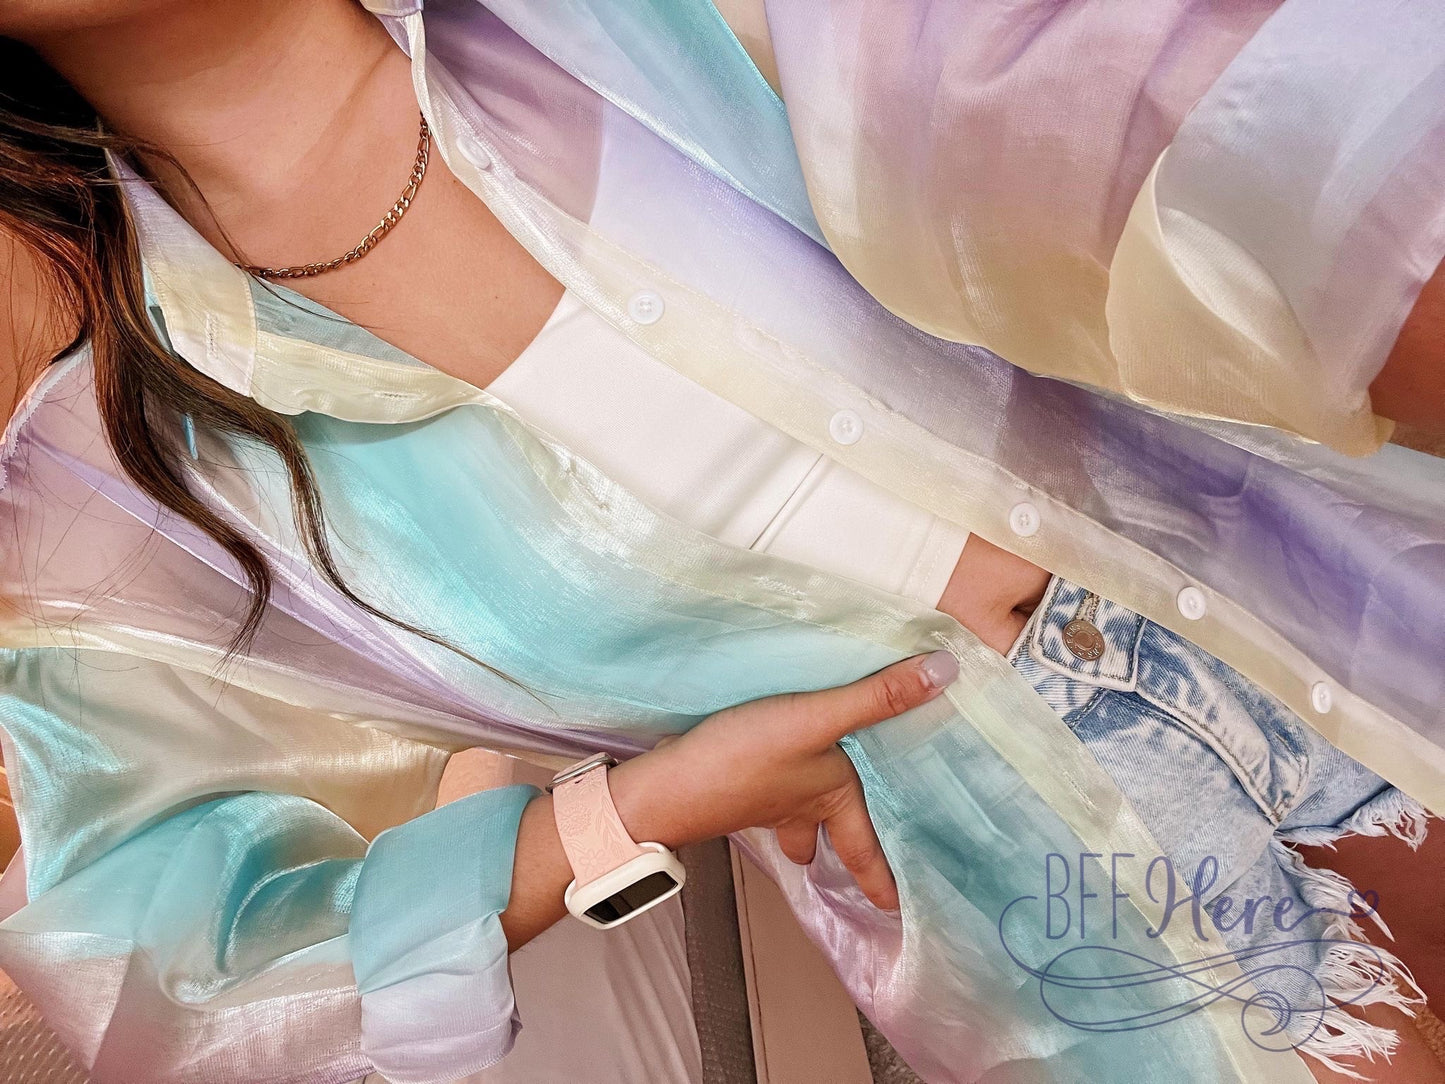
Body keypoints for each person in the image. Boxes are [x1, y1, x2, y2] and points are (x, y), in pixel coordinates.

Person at [0, 2, 1442, 1082]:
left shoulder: (618, 24)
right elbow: (154, 974)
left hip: (1312, 589)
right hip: (1044, 880)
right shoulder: (121, 489)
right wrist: (622, 817)